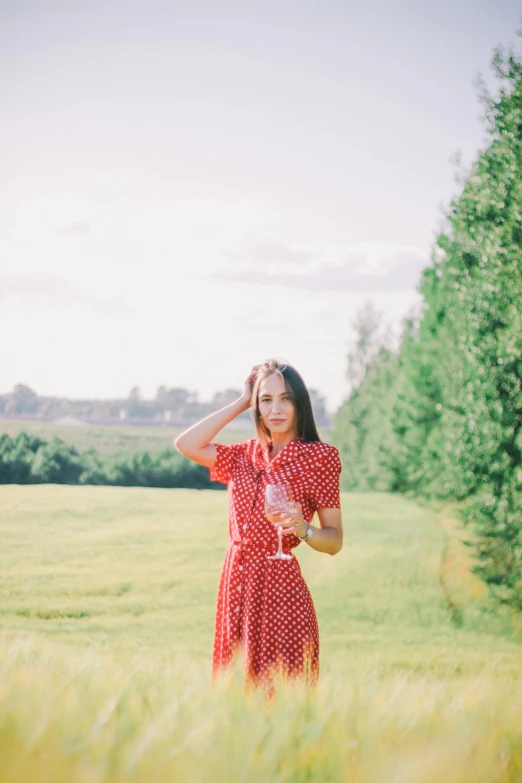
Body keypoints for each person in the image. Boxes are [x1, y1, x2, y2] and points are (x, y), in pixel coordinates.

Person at [175, 359, 343, 690]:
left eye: (286, 398)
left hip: (281, 588)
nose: (276, 408)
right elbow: (186, 444)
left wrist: (304, 530)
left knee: (280, 695)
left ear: (300, 403)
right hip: (236, 581)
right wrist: (241, 401)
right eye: (266, 400)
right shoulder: (242, 455)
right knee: (234, 694)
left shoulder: (320, 457)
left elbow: (334, 540)